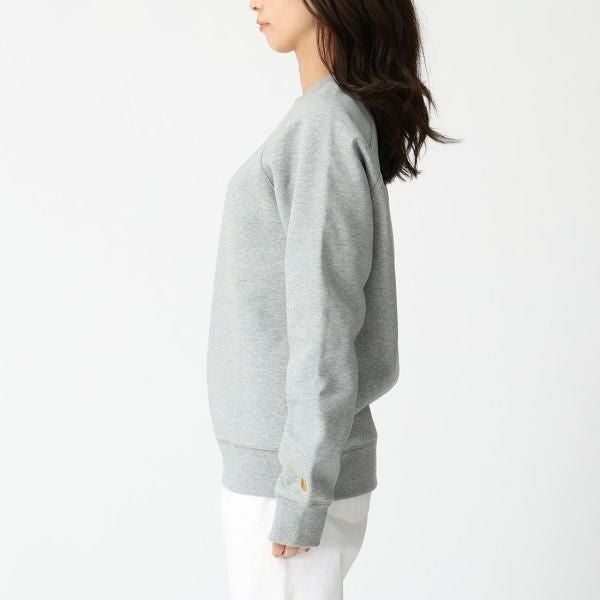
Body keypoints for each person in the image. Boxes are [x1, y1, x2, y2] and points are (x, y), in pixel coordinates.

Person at [206, 1, 457, 597]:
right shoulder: (321, 119)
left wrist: (301, 489)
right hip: (286, 467)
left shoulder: (323, 127)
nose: (253, 1)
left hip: (289, 476)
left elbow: (325, 320)